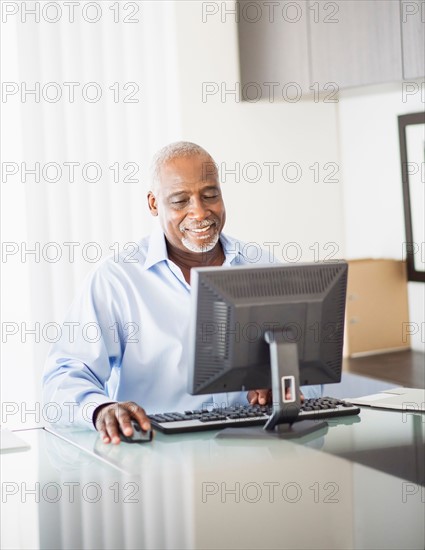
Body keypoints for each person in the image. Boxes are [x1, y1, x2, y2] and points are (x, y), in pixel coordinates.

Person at [43, 141, 321, 444]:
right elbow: (63, 378)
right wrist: (101, 409)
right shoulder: (117, 279)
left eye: (210, 195)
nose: (199, 212)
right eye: (179, 201)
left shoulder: (263, 267)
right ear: (153, 204)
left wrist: (283, 387)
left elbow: (309, 375)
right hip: (156, 459)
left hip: (255, 452)